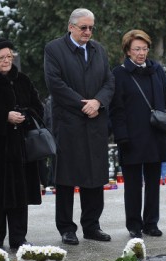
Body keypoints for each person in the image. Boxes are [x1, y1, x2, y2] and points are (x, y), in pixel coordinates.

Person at [44, 8, 115, 245]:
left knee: (94, 176)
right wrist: (82, 103)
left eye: (91, 28)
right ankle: (66, 228)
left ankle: (92, 226)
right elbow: (55, 83)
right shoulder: (54, 49)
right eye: (83, 27)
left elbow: (109, 81)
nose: (87, 32)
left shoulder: (99, 50)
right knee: (66, 177)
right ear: (71, 27)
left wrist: (98, 102)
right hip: (69, 122)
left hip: (95, 121)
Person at [0, 37, 43, 251]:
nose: (6, 61)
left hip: (21, 147)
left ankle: (19, 237)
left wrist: (24, 115)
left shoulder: (22, 79)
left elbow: (38, 108)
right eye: (1, 58)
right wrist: (4, 116)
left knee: (21, 195)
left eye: (9, 57)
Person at [109, 29, 166, 239]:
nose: (141, 53)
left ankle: (151, 223)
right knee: (132, 185)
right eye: (137, 49)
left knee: (153, 183)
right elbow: (116, 108)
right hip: (131, 136)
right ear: (128, 51)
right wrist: (121, 136)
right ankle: (134, 225)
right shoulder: (119, 74)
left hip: (155, 134)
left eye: (144, 48)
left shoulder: (157, 70)